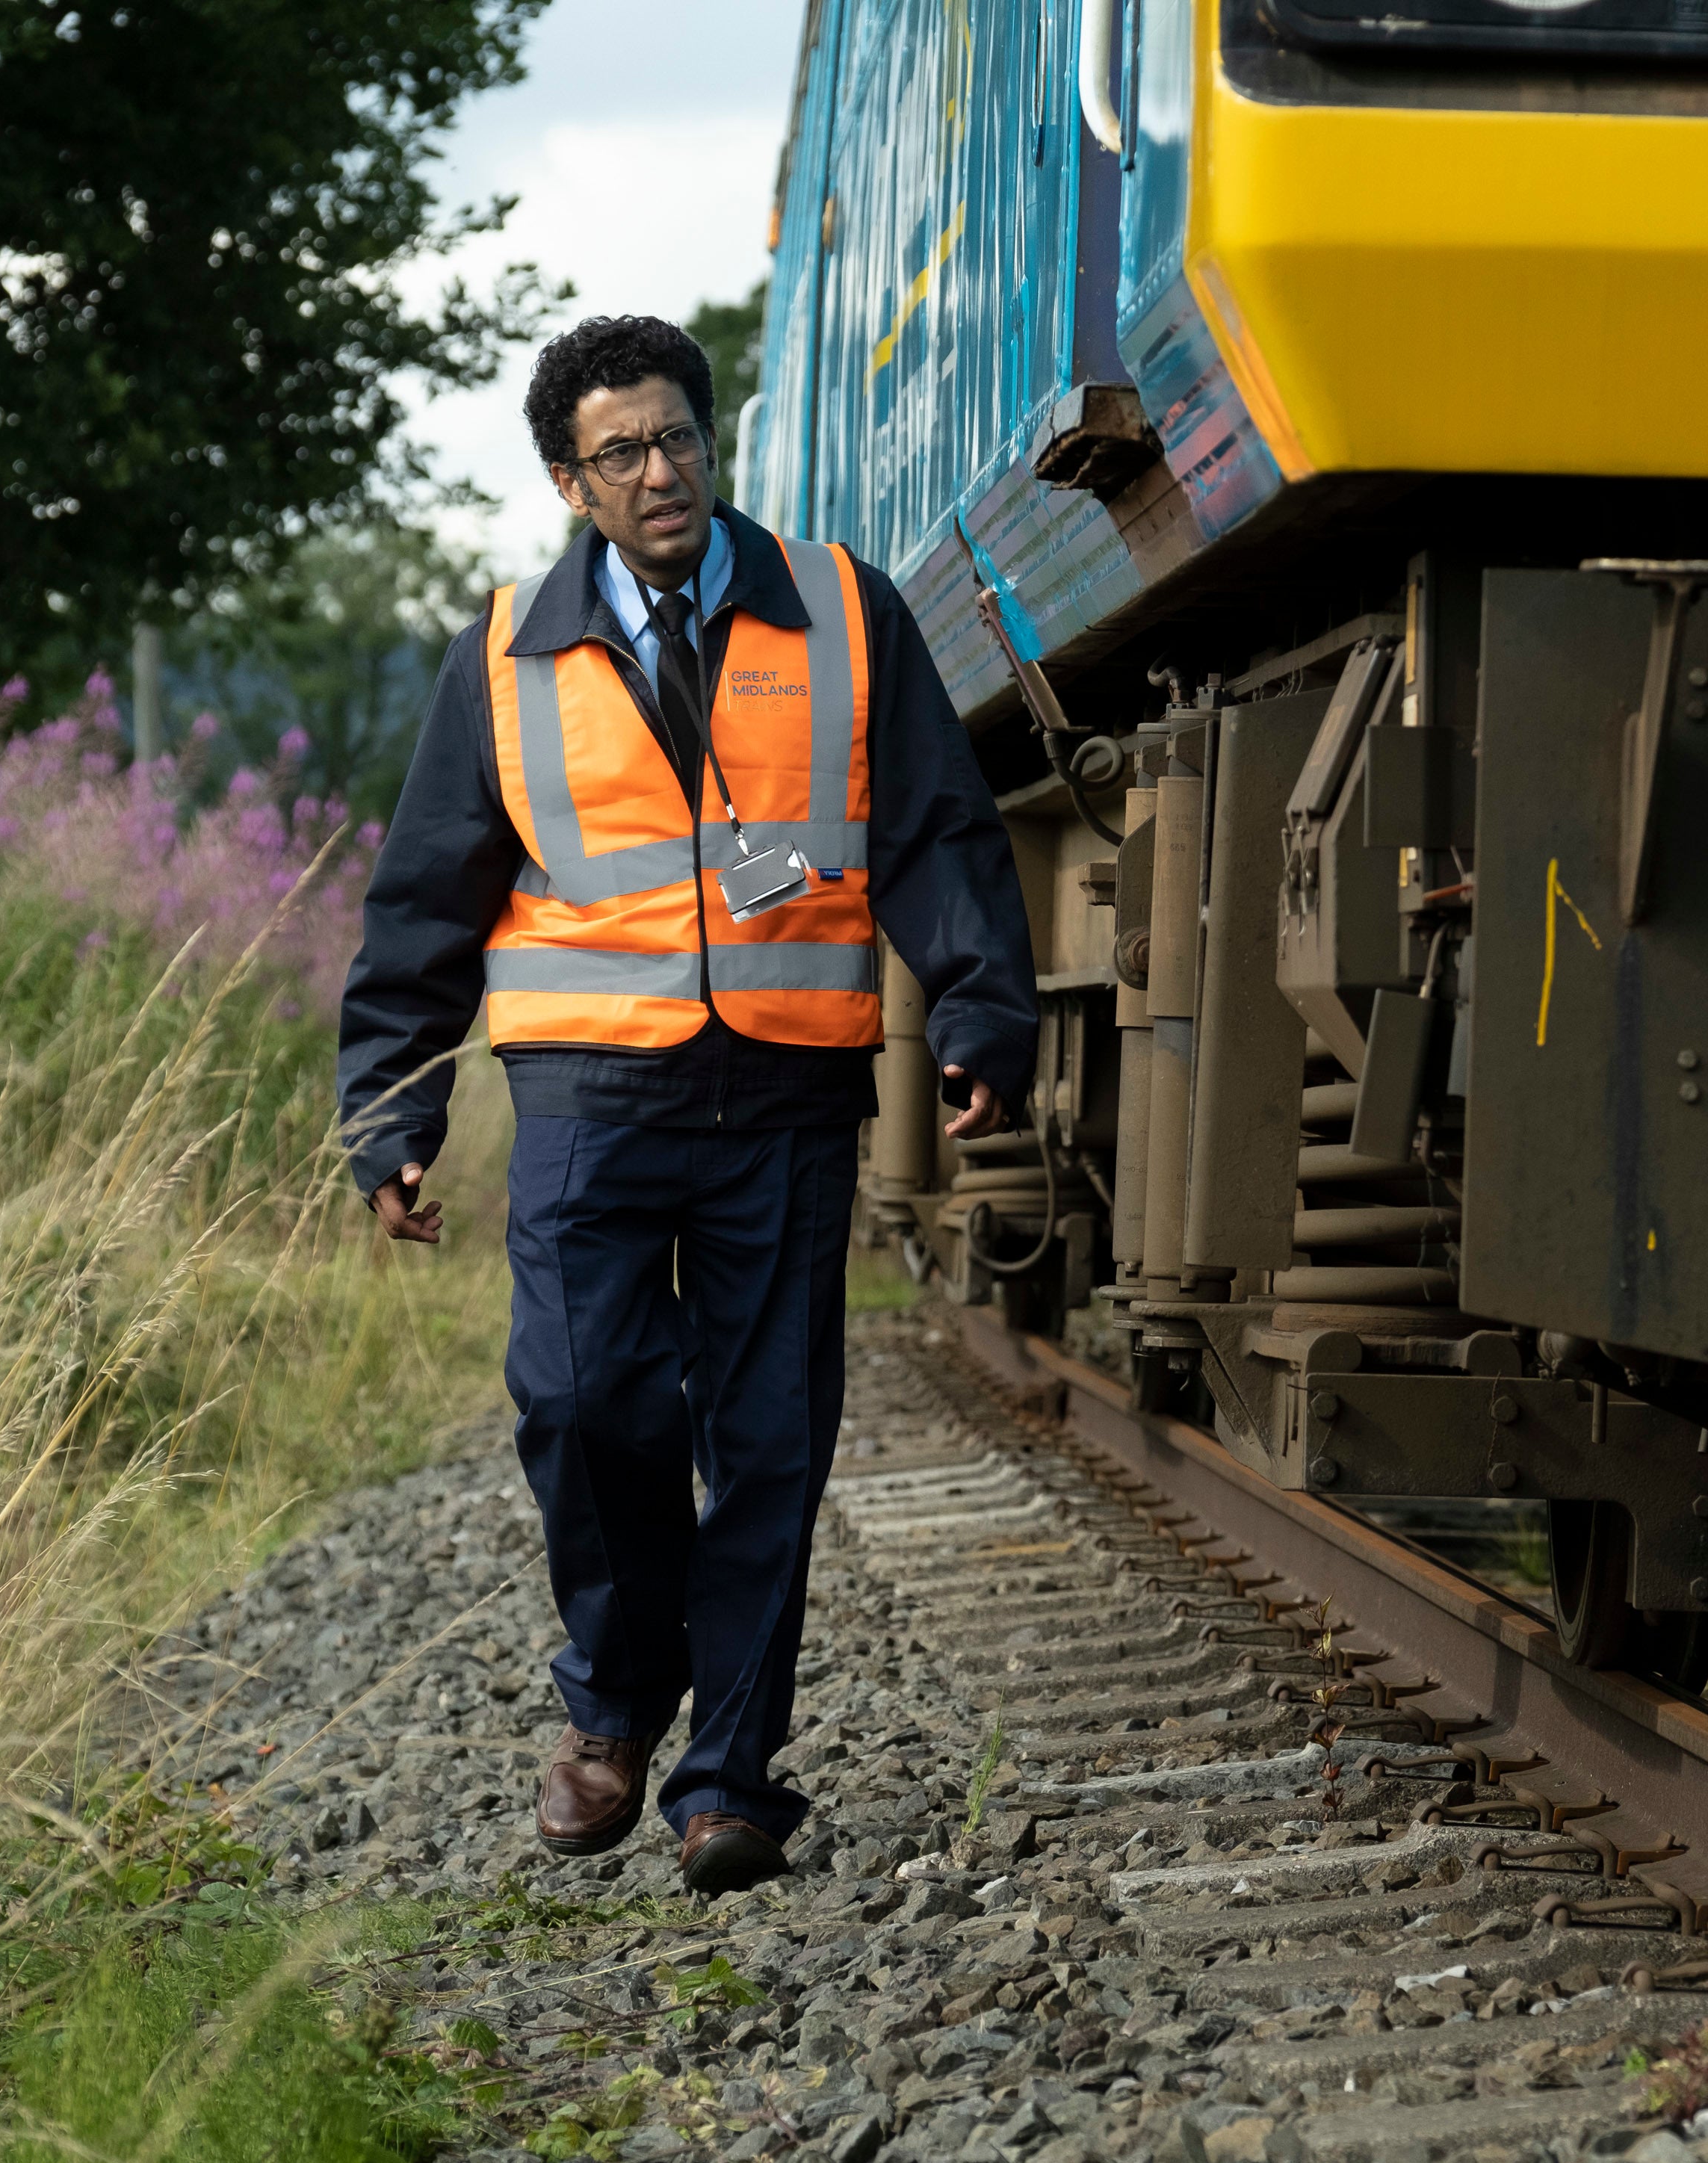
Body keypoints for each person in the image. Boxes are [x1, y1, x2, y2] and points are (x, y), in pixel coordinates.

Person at [335, 315, 1039, 1896]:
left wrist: (986, 1006)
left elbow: (934, 823)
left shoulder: (846, 611)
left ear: (711, 445)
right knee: (585, 1407)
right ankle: (613, 1692)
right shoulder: (508, 655)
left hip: (787, 1089)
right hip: (589, 1095)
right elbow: (425, 905)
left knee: (770, 1436)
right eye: (622, 453)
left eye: (679, 440)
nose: (661, 472)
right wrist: (392, 1116)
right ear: (569, 482)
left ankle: (727, 1771)